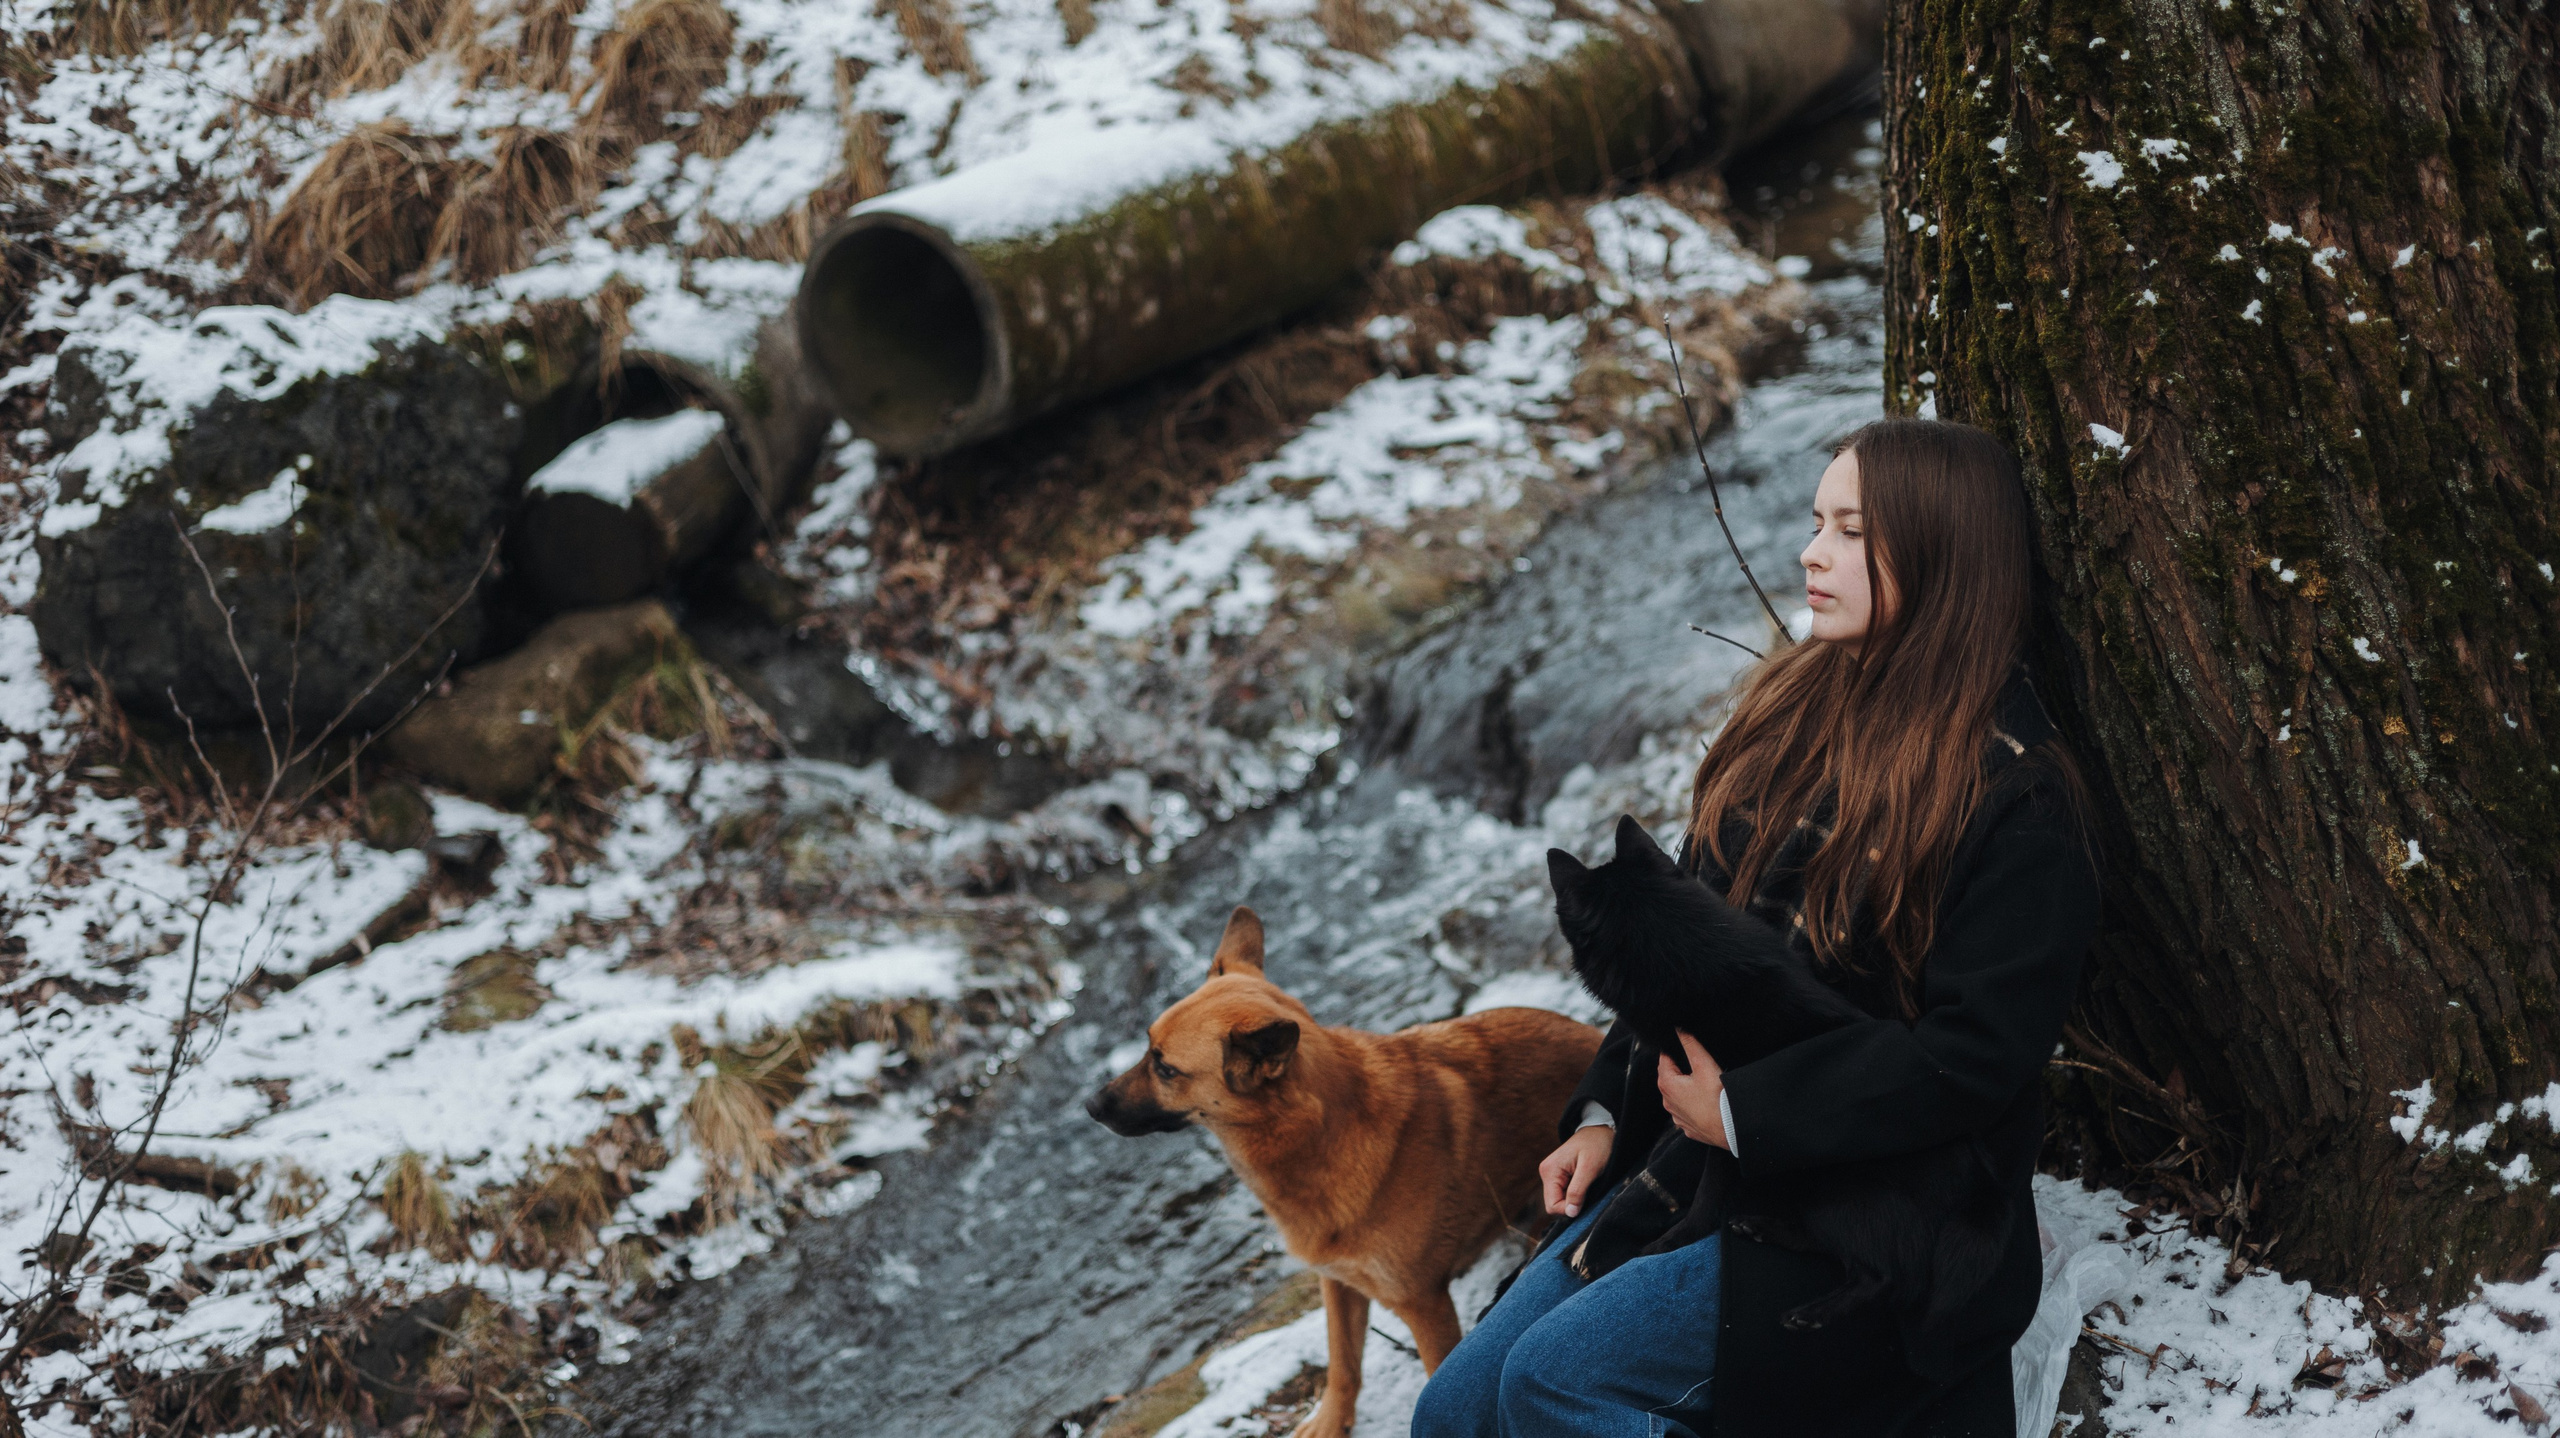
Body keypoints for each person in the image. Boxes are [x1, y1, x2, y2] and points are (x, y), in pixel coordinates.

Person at [1410, 417, 2101, 1438]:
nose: (1811, 551)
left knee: (1554, 1387)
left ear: (1942, 555)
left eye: (1850, 530)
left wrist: (1743, 1110)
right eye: (1816, 522)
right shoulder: (1788, 711)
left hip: (1880, 1220)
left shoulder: (2015, 797)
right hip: (1698, 1173)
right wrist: (1604, 1111)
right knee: (1453, 1413)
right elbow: (1687, 953)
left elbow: (1972, 1058)